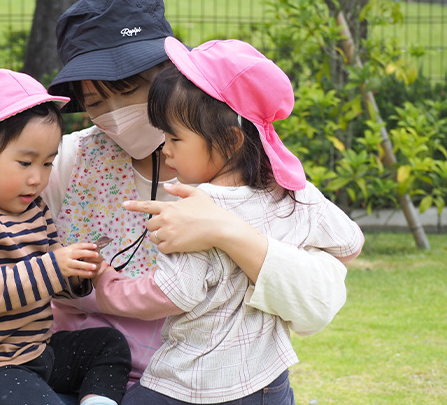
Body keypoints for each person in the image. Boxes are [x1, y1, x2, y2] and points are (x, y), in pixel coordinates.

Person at [0, 0, 351, 405]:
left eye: (130, 89)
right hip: (88, 376)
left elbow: (320, 295)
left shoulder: (248, 168)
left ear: (173, 77)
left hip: (217, 383)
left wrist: (231, 234)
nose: (114, 114)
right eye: (94, 101)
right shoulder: (61, 162)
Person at [92, 38, 365, 405]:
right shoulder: (295, 194)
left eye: (175, 137)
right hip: (269, 383)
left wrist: (106, 283)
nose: (165, 149)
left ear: (230, 140)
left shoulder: (194, 207)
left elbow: (173, 292)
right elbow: (350, 244)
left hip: (192, 383)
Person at [0, 68, 131, 405]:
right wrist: (54, 266)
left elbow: (49, 280)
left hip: (37, 351)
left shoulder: (35, 212)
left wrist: (77, 274)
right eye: (25, 163)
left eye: (48, 163)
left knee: (109, 344)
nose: (38, 178)